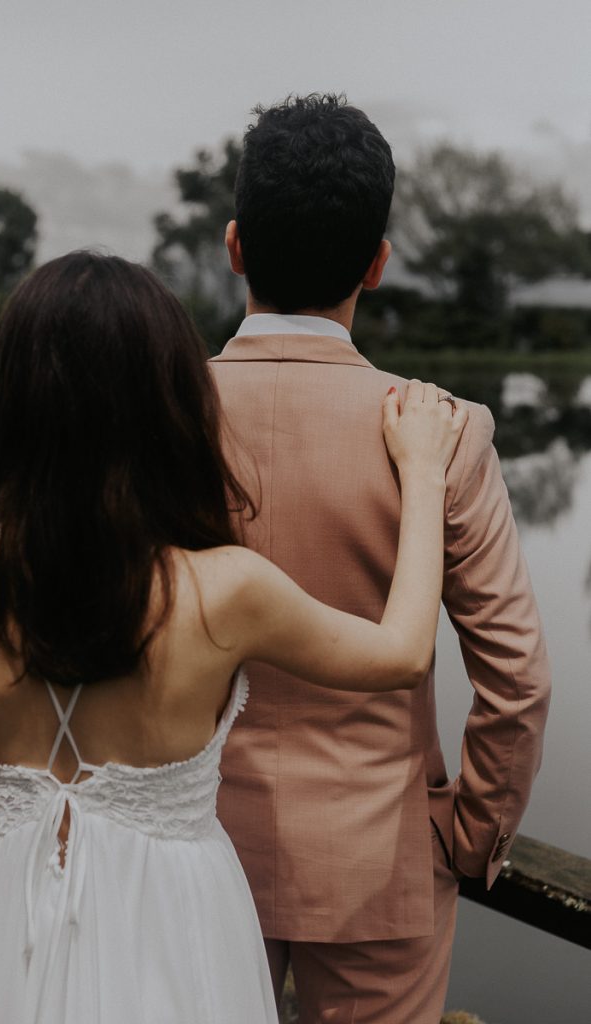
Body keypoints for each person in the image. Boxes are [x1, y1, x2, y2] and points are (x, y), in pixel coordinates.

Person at [0, 252, 466, 1024]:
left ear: (9, 401)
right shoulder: (223, 589)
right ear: (168, 403)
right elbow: (402, 653)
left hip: (12, 929)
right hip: (180, 927)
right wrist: (425, 472)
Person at [210, 94, 552, 1024]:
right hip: (378, 859)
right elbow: (516, 679)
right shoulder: (441, 430)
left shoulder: (155, 415)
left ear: (235, 246)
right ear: (377, 261)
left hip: (190, 852)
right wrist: (465, 836)